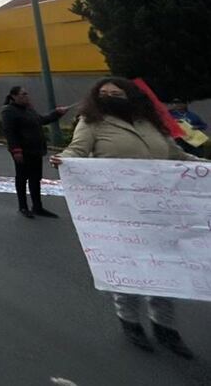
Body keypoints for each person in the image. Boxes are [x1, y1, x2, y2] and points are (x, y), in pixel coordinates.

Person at [51, 78, 200, 358]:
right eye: (103, 93)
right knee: (129, 270)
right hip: (117, 212)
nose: (108, 97)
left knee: (165, 270)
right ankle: (130, 321)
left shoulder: (150, 122)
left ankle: (165, 327)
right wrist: (64, 159)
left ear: (130, 95)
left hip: (159, 210)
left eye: (115, 93)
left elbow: (176, 155)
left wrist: (204, 168)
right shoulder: (92, 121)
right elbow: (78, 151)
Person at [1, 86, 66, 218]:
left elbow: (41, 120)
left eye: (26, 94)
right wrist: (16, 150)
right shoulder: (9, 111)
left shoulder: (29, 109)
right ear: (14, 96)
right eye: (23, 94)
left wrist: (57, 113)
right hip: (22, 151)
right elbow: (10, 132)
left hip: (36, 150)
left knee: (35, 179)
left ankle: (37, 206)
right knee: (22, 178)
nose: (26, 97)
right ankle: (23, 206)